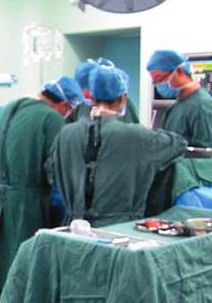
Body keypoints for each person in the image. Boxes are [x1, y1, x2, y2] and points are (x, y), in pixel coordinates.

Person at [0, 76, 82, 303]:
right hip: (25, 206)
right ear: (64, 104)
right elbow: (55, 171)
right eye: (70, 110)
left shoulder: (13, 106)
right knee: (24, 268)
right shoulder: (51, 118)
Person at [51, 65, 187, 228]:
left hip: (75, 228)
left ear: (91, 98)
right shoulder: (137, 136)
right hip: (120, 228)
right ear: (123, 98)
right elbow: (179, 144)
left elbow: (52, 172)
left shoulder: (65, 134)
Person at [147, 49, 212, 147]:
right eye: (155, 82)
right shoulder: (177, 106)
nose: (159, 84)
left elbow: (206, 151)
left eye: (160, 78)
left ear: (179, 72)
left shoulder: (201, 106)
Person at [68, 57, 139, 124]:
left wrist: (110, 118)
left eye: (88, 91)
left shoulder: (121, 103)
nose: (87, 96)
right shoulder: (80, 106)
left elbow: (132, 130)